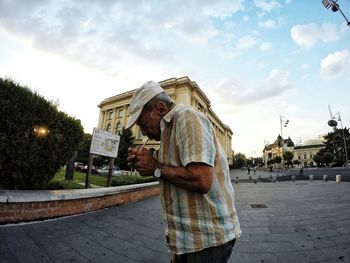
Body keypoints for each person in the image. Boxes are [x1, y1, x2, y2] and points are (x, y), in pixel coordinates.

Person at [126, 80, 241, 263]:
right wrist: (147, 165)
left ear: (161, 109)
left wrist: (155, 166)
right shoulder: (167, 132)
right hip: (187, 240)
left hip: (207, 239)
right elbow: (170, 174)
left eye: (144, 124)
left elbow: (201, 180)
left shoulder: (186, 117)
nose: (144, 132)